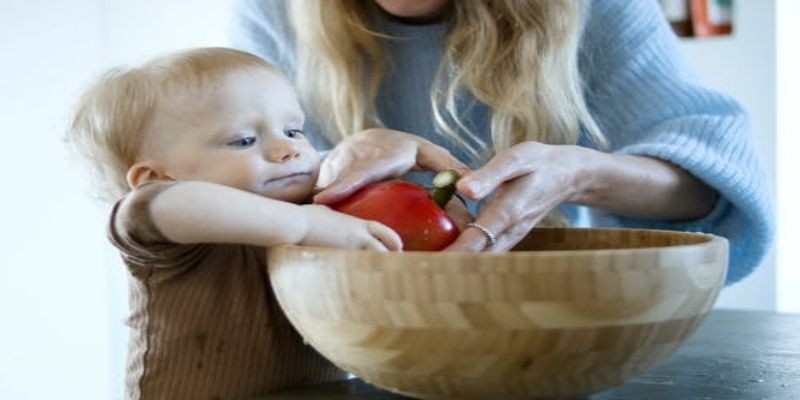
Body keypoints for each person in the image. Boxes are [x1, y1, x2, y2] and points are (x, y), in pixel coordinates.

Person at [230, 0, 774, 285]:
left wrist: (582, 173)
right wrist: (326, 167)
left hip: (541, 317)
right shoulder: (273, 8)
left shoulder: (596, 6)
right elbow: (233, 189)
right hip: (348, 323)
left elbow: (713, 185)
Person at [67, 47, 402, 400]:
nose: (287, 150)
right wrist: (304, 225)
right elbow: (180, 203)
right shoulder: (156, 219)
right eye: (244, 140)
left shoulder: (318, 211)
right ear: (156, 177)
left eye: (293, 130)